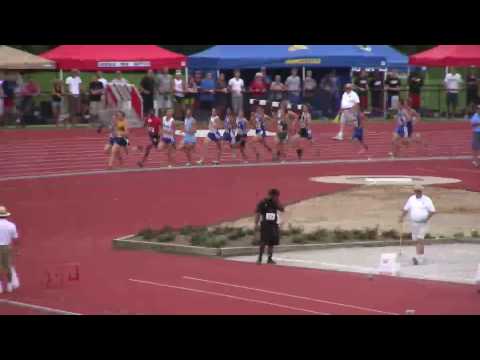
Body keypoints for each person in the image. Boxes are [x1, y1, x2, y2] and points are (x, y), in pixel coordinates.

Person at [399, 185, 436, 266]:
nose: (418, 192)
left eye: (419, 190)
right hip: (414, 223)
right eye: (416, 190)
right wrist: (401, 217)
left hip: (423, 223)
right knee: (416, 240)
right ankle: (420, 256)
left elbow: (433, 211)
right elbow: (406, 209)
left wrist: (427, 218)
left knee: (420, 239)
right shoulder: (411, 199)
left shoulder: (427, 199)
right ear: (414, 191)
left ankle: (419, 259)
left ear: (422, 191)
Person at [255, 189, 285, 265]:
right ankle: (259, 258)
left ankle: (269, 258)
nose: (277, 197)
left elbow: (282, 209)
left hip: (273, 224)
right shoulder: (263, 202)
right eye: (276, 196)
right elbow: (258, 213)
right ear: (271, 195)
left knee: (271, 242)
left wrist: (278, 201)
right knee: (263, 241)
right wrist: (256, 224)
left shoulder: (275, 203)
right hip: (265, 224)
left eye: (277, 197)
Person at [0, 206, 19, 294]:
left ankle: (0, 287)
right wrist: (17, 249)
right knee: (8, 266)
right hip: (7, 247)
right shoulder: (11, 225)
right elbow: (15, 238)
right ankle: (9, 285)